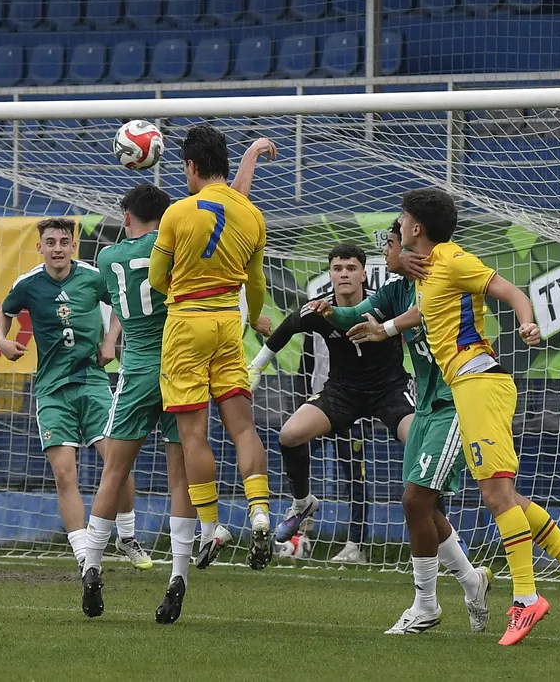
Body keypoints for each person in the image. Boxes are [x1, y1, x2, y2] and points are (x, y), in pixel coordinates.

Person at [355, 188, 560, 645]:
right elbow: (423, 311)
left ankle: (526, 599)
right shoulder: (429, 268)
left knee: (495, 496)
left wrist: (527, 322)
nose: (398, 224)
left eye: (402, 218)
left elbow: (510, 290)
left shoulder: (453, 260)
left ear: (416, 227)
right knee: (504, 495)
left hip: (478, 382)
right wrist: (384, 329)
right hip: (468, 386)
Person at [83, 139, 276, 623]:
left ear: (127, 217)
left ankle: (91, 565)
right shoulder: (217, 219)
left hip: (152, 361)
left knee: (116, 471)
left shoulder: (112, 256)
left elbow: (149, 277)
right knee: (187, 470)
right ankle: (184, 570)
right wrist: (250, 157)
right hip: (209, 336)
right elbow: (232, 205)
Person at [313, 220, 492, 634]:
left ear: (410, 247)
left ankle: (427, 605)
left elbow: (420, 314)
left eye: (390, 244)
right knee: (420, 503)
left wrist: (386, 329)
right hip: (426, 405)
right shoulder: (395, 290)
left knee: (427, 499)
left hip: (457, 401)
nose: (386, 252)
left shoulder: (440, 281)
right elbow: (356, 313)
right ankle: (472, 581)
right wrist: (332, 311)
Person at [147, 124, 275, 571]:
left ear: (191, 166)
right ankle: (259, 510)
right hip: (228, 326)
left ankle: (210, 526)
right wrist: (250, 318)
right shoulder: (252, 215)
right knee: (242, 427)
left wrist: (182, 289)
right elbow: (256, 284)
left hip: (187, 325)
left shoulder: (178, 213)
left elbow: (156, 277)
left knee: (193, 435)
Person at [0, 219, 149, 573]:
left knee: (118, 463)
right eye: (50, 242)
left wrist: (110, 341)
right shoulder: (28, 284)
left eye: (64, 242)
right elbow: (4, 314)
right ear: (40, 248)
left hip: (93, 383)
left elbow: (121, 305)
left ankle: (127, 536)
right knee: (65, 475)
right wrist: (1, 341)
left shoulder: (93, 277)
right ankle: (84, 557)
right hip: (52, 391)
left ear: (73, 246)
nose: (58, 248)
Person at [248, 244, 415, 565]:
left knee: (420, 444)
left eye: (351, 268)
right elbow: (287, 328)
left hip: (389, 391)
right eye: (338, 269)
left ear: (363, 274)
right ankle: (302, 503)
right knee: (289, 435)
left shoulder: (385, 303)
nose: (344, 274)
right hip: (342, 392)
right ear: (330, 274)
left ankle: (445, 535)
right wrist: (256, 366)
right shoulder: (320, 309)